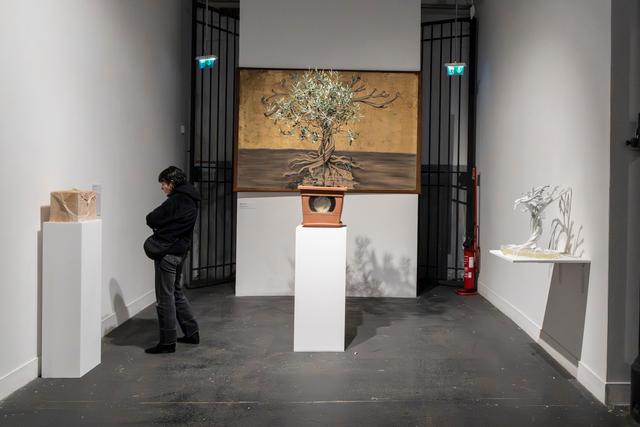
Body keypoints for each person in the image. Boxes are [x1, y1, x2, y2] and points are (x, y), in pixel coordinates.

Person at [144, 166, 201, 354]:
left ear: (172, 183)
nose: (162, 187)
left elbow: (151, 219)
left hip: (167, 254)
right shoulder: (192, 199)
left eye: (164, 183)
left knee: (165, 297)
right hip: (181, 252)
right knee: (176, 292)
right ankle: (192, 332)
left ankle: (167, 342)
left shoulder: (176, 200)